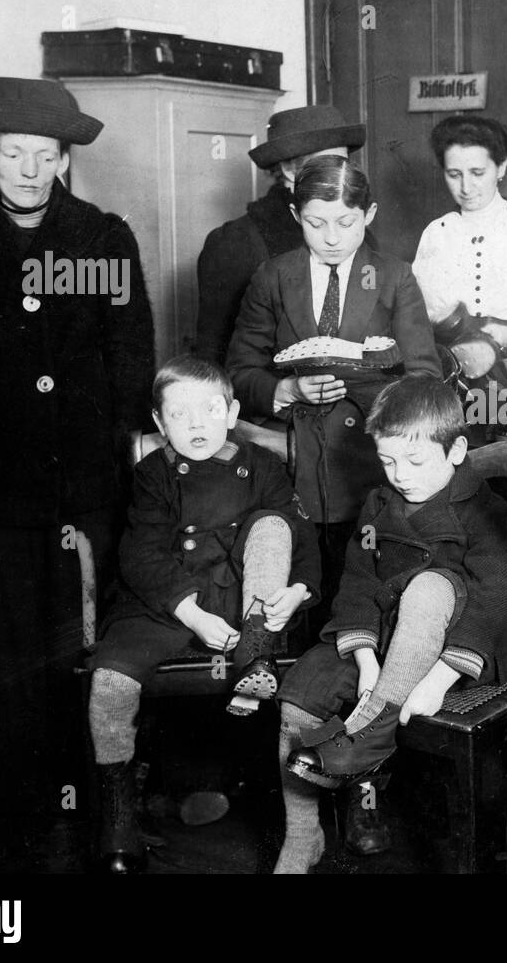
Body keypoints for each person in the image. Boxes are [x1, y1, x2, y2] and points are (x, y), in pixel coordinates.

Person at [0, 76, 156, 830]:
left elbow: (131, 352)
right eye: (14, 152)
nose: (30, 169)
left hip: (86, 475)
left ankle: (101, 791)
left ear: (64, 160)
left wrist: (123, 448)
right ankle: (21, 801)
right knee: (5, 638)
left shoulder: (102, 236)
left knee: (88, 634)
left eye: (46, 155)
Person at [272, 375, 507, 870]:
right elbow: (359, 581)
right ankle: (305, 833)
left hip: (460, 650)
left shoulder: (490, 514)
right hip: (385, 638)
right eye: (388, 460)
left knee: (430, 586)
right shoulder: (377, 505)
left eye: (414, 461)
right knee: (301, 692)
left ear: (456, 451)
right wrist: (366, 659)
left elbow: (494, 601)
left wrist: (438, 680)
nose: (400, 474)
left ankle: (370, 737)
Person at [87, 356, 321, 872]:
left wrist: (298, 589)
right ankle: (119, 817)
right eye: (179, 414)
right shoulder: (154, 473)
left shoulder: (262, 466)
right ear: (159, 423)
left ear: (233, 411)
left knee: (274, 525)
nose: (196, 425)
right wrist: (190, 614)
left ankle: (254, 658)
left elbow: (297, 536)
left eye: (210, 410)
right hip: (170, 602)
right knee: (109, 682)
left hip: (246, 600)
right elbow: (142, 553)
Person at [226, 156, 439, 634]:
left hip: (367, 460)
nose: (332, 237)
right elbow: (238, 371)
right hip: (292, 460)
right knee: (297, 581)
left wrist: (380, 393)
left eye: (346, 222)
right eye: (315, 223)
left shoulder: (394, 276)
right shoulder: (274, 276)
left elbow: (424, 374)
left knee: (360, 585)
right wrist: (284, 387)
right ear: (295, 216)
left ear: (369, 215)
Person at [196, 104, 367, 365]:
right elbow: (214, 353)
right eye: (327, 164)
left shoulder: (357, 229)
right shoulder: (235, 242)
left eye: (343, 163)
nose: (340, 175)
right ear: (289, 170)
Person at [413, 114, 507, 365]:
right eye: (454, 174)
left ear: (501, 167)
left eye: (477, 172)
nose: (466, 187)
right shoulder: (435, 233)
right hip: (450, 364)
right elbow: (422, 317)